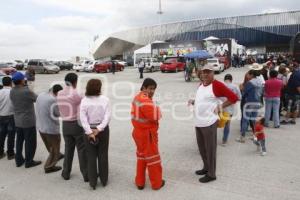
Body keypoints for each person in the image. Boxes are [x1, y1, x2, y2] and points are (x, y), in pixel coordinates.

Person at [188, 64, 238, 183]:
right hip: (198, 122)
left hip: (209, 123)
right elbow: (203, 99)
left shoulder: (217, 85)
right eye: (203, 72)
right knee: (202, 148)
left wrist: (220, 106)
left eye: (208, 72)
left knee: (210, 149)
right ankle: (206, 167)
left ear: (213, 73)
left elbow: (233, 98)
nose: (205, 74)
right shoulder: (201, 85)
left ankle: (211, 174)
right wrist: (193, 101)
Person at [131, 78, 165, 190]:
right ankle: (157, 184)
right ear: (144, 87)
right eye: (150, 88)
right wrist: (158, 108)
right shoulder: (146, 100)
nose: (152, 91)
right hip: (147, 134)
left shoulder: (137, 97)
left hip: (138, 133)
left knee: (142, 158)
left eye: (154, 89)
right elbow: (156, 116)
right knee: (153, 159)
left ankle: (140, 182)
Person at [80, 79, 111, 190]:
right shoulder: (105, 100)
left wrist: (89, 132)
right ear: (99, 88)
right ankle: (104, 180)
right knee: (103, 154)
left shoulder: (84, 100)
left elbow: (83, 118)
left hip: (89, 129)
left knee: (91, 156)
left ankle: (93, 183)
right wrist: (99, 129)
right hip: (102, 130)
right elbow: (107, 116)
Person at [57, 73, 88, 181]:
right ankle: (86, 174)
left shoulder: (59, 93)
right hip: (76, 124)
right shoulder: (76, 93)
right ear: (75, 81)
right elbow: (85, 101)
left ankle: (66, 173)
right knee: (81, 150)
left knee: (68, 149)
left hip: (65, 125)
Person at [9, 72, 41, 168]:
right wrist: (28, 88)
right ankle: (29, 161)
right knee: (30, 142)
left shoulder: (12, 91)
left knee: (19, 141)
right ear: (22, 80)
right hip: (28, 121)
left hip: (17, 120)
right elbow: (37, 99)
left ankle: (18, 160)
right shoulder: (26, 91)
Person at [36, 84, 64, 173]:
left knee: (49, 145)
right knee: (55, 147)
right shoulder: (53, 100)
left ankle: (57, 155)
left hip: (41, 126)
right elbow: (58, 113)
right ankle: (49, 166)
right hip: (51, 128)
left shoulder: (41, 95)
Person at [237, 66, 264, 143]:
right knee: (254, 120)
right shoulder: (260, 82)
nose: (248, 76)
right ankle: (255, 136)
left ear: (252, 75)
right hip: (257, 102)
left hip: (249, 103)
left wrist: (241, 88)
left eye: (249, 74)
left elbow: (244, 93)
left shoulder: (250, 83)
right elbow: (262, 93)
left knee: (245, 120)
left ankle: (242, 137)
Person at [221, 74, 241, 146]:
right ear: (231, 80)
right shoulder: (235, 87)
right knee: (227, 124)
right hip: (230, 109)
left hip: (219, 108)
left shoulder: (220, 85)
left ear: (224, 79)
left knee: (214, 123)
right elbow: (239, 98)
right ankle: (224, 141)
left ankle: (211, 139)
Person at [0, 76, 16, 160]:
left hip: (1, 116)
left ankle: (0, 152)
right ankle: (10, 153)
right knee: (11, 135)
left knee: (1, 135)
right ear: (11, 83)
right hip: (11, 116)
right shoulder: (13, 92)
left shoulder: (0, 92)